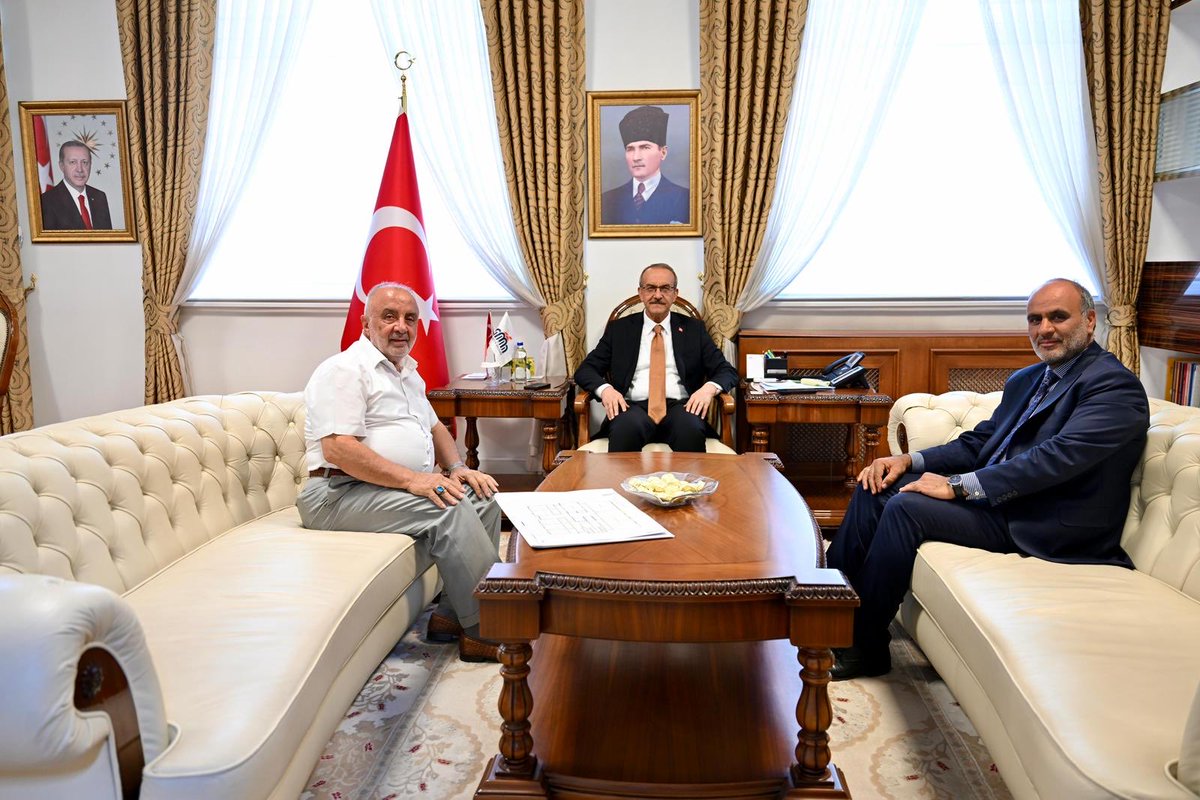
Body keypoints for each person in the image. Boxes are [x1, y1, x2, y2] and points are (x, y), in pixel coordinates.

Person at [825, 278, 1149, 680]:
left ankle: (866, 647)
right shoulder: (1029, 379)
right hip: (999, 503)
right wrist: (907, 459)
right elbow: (981, 442)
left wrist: (959, 485)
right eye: (1035, 319)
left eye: (1057, 317)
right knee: (879, 484)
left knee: (907, 507)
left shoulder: (1113, 385)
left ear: (1089, 321)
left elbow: (1058, 459)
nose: (1044, 329)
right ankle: (826, 609)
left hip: (1045, 522)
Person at [297, 282, 502, 663]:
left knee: (483, 500)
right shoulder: (344, 369)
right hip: (336, 494)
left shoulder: (407, 372)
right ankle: (486, 630)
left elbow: (436, 427)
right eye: (389, 316)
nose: (401, 326)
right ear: (365, 324)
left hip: (380, 491)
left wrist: (456, 467)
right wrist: (416, 480)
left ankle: (453, 617)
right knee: (450, 507)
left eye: (410, 318)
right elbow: (338, 448)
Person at [574, 263, 739, 452]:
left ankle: (690, 483)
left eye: (665, 288)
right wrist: (606, 390)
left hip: (681, 407)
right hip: (631, 407)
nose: (658, 295)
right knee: (625, 428)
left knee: (690, 429)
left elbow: (727, 371)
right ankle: (622, 482)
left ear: (675, 294)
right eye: (651, 288)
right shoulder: (619, 330)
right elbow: (586, 370)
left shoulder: (694, 330)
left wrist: (708, 389)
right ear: (641, 293)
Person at [600, 106, 690, 226]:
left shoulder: (685, 199)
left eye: (645, 147)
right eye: (630, 149)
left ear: (663, 153)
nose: (636, 157)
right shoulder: (607, 200)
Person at [39, 140, 113, 231]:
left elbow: (108, 240)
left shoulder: (99, 197)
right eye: (73, 162)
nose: (80, 169)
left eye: (85, 162)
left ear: (90, 164)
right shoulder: (46, 201)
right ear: (61, 166)